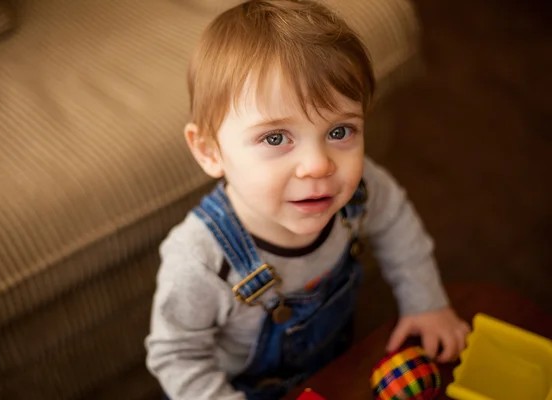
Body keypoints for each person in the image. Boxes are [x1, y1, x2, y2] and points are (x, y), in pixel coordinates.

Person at [145, 1, 470, 399]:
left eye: (339, 132)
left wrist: (425, 302)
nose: (318, 166)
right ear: (210, 151)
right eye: (276, 138)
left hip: (337, 364)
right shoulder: (200, 260)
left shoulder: (363, 186)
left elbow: (396, 223)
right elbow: (177, 356)